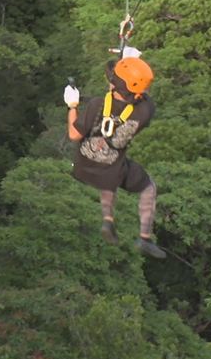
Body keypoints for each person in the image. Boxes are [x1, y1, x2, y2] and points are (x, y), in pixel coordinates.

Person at [64, 47, 166, 258]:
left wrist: (72, 106)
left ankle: (108, 220)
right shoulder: (144, 111)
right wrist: (130, 62)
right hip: (112, 164)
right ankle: (144, 238)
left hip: (84, 163)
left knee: (108, 174)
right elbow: (137, 93)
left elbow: (74, 134)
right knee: (146, 186)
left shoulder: (97, 104)